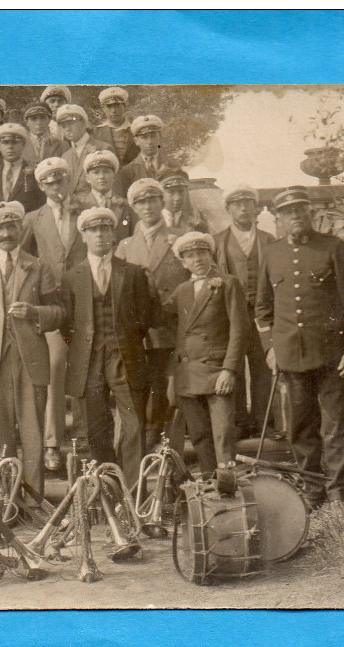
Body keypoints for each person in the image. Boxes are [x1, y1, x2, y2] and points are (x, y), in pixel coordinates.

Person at [255, 186, 344, 512]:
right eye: (288, 213)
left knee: (337, 426)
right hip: (290, 356)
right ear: (278, 218)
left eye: (300, 211)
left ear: (310, 214)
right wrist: (270, 349)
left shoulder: (333, 247)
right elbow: (263, 309)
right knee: (301, 428)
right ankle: (313, 492)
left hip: (333, 356)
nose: (295, 217)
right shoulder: (271, 254)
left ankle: (339, 496)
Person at [0, 201, 64, 501]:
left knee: (33, 437)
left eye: (11, 226)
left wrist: (35, 313)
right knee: (1, 437)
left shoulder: (38, 265)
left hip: (31, 362)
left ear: (20, 227)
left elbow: (59, 312)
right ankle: (7, 502)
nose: (6, 233)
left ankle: (33, 502)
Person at [60, 207, 155, 487]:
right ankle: (108, 489)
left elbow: (144, 318)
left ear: (113, 234)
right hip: (88, 362)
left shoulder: (133, 273)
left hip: (125, 358)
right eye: (93, 230)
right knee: (95, 428)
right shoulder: (71, 277)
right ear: (84, 236)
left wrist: (123, 341)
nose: (99, 235)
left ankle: (134, 492)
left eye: (105, 229)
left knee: (133, 424)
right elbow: (67, 327)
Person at [20, 157, 86, 472]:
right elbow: (21, 258)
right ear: (41, 185)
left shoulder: (84, 212)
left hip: (85, 301)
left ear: (68, 181)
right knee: (56, 367)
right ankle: (51, 443)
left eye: (60, 180)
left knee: (86, 366)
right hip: (52, 303)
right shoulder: (33, 218)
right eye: (48, 182)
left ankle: (85, 440)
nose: (55, 186)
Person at [116, 177, 189, 449]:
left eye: (152, 200)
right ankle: (140, 444)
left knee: (164, 389)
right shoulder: (124, 246)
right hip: (137, 333)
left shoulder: (180, 238)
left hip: (169, 328)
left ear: (162, 202)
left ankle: (161, 441)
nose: (147, 207)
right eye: (140, 202)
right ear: (134, 207)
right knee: (139, 386)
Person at [168, 231, 249, 472]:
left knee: (223, 435)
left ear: (210, 255)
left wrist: (230, 369)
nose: (198, 260)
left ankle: (228, 490)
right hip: (188, 374)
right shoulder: (181, 290)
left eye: (202, 253)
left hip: (217, 372)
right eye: (190, 256)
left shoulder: (228, 283)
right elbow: (160, 316)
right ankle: (208, 488)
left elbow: (240, 330)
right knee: (200, 435)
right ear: (183, 263)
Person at [213, 184, 276, 438]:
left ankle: (264, 422)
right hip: (232, 317)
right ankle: (238, 422)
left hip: (263, 316)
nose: (243, 209)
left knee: (263, 368)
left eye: (247, 204)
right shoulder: (219, 241)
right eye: (237, 205)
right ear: (228, 209)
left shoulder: (268, 240)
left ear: (255, 208)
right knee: (234, 366)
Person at [0, 122, 43, 212]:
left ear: (23, 144)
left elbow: (41, 203)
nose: (10, 147)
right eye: (5, 142)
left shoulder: (34, 172)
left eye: (15, 142)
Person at [72, 149, 134, 239]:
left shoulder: (126, 205)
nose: (101, 177)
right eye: (96, 173)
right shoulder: (79, 206)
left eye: (106, 172)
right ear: (87, 178)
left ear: (114, 176)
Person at [57, 104, 114, 196]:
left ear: (84, 123)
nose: (67, 128)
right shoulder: (65, 156)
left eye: (71, 123)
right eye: (63, 126)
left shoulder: (103, 148)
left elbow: (113, 187)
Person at [117, 115, 166, 195]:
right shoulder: (127, 172)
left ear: (160, 138)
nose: (150, 142)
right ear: (136, 141)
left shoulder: (172, 166)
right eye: (145, 137)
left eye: (153, 136)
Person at [91, 86, 139, 166]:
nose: (113, 111)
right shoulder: (96, 133)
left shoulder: (135, 131)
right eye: (109, 107)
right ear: (103, 108)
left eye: (117, 106)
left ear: (124, 106)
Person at [159, 165, 209, 235]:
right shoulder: (152, 220)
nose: (177, 198)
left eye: (181, 192)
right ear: (161, 194)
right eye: (171, 192)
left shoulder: (196, 224)